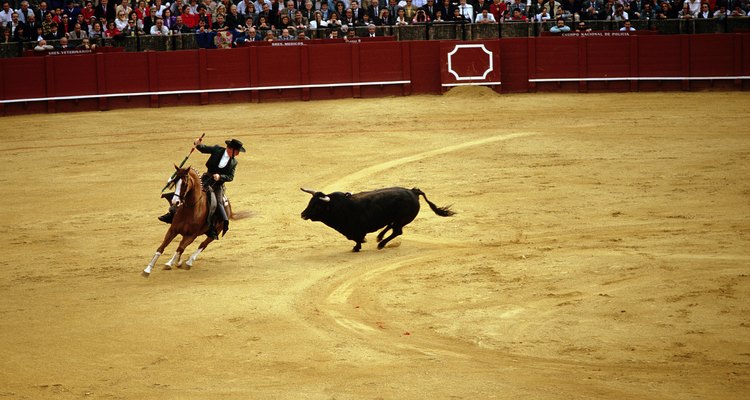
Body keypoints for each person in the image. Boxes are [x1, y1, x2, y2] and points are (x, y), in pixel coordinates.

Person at [159, 138, 246, 240]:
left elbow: (230, 177)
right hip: (205, 179)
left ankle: (214, 227)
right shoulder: (217, 150)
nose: (238, 154)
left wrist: (220, 177)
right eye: (237, 152)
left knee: (218, 203)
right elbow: (204, 149)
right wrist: (198, 144)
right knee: (185, 190)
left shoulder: (234, 162)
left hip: (217, 185)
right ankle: (171, 214)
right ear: (231, 149)